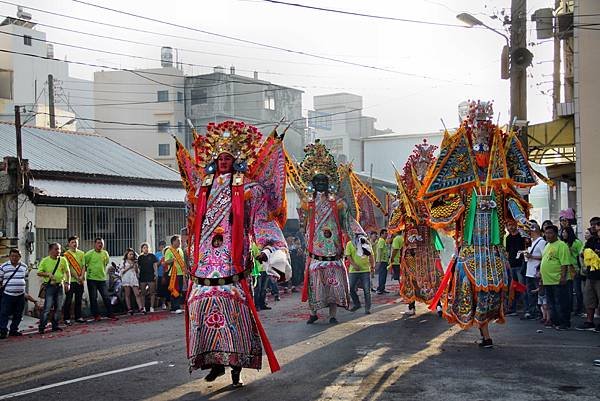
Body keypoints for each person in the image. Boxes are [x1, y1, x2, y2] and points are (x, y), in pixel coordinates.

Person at [175, 120, 288, 386]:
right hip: (204, 265)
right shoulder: (201, 190)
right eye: (219, 156)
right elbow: (193, 223)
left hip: (231, 263)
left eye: (229, 156)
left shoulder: (249, 189)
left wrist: (270, 250)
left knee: (231, 306)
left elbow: (260, 222)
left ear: (238, 159)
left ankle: (235, 367)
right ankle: (213, 361)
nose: (223, 160)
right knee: (198, 302)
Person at [419, 100, 539, 347]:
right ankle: (481, 331)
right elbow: (444, 206)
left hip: (493, 249)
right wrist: (451, 208)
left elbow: (512, 203)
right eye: (477, 147)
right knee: (470, 288)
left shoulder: (498, 185)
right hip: (471, 247)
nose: (482, 152)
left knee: (492, 290)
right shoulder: (464, 188)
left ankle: (484, 330)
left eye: (486, 146)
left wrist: (522, 221)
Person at [296, 140, 354, 325]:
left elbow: (348, 222)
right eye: (317, 181)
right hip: (315, 253)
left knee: (333, 283)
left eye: (324, 180)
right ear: (312, 183)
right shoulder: (307, 203)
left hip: (333, 252)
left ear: (329, 182)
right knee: (315, 283)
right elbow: (303, 225)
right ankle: (313, 312)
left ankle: (333, 314)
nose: (321, 183)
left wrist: (359, 240)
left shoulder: (337, 203)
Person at [389, 139, 444, 316]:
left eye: (426, 164)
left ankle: (438, 302)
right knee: (410, 274)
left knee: (433, 272)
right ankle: (410, 304)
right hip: (412, 242)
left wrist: (433, 216)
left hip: (428, 240)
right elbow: (400, 216)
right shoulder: (408, 191)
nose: (423, 167)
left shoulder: (434, 192)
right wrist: (410, 228)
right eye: (420, 164)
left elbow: (441, 212)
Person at [540, 225, 572, 330]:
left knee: (561, 302)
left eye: (550, 233)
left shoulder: (561, 245)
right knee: (551, 303)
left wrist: (563, 277)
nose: (547, 235)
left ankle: (564, 323)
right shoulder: (547, 245)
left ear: (555, 233)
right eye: (546, 233)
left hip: (557, 279)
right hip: (547, 280)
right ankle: (555, 322)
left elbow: (564, 263)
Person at [37, 243, 70, 334]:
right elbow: (39, 272)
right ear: (50, 250)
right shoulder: (45, 260)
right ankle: (42, 327)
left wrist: (68, 283)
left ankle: (55, 326)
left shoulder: (63, 260)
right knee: (47, 308)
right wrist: (48, 274)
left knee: (59, 307)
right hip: (50, 287)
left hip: (60, 286)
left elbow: (67, 272)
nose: (58, 251)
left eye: (59, 249)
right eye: (56, 249)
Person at [0, 249, 33, 338]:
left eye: (16, 256)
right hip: (7, 295)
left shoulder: (24, 266)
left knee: (18, 314)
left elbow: (24, 277)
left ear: (20, 257)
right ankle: (3, 331)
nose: (14, 258)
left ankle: (13, 330)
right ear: (9, 256)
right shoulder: (3, 266)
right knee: (4, 313)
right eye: (12, 256)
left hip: (20, 295)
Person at [85, 238, 117, 321]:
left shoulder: (105, 253)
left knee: (106, 297)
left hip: (102, 279)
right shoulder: (89, 254)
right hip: (91, 279)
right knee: (93, 297)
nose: (100, 245)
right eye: (98, 243)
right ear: (94, 244)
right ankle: (96, 315)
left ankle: (110, 314)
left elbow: (106, 263)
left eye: (102, 243)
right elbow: (84, 265)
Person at [576, 216, 600, 331]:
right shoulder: (591, 240)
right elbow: (583, 253)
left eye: (595, 225)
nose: (593, 227)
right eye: (592, 225)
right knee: (589, 298)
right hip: (591, 274)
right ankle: (589, 321)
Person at [346, 234, 375, 314]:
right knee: (351, 288)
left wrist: (373, 267)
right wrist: (354, 265)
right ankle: (357, 304)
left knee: (367, 290)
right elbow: (348, 256)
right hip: (353, 271)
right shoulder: (350, 244)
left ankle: (367, 308)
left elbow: (371, 255)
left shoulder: (366, 243)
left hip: (365, 270)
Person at [523, 222, 546, 319]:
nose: (527, 232)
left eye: (529, 230)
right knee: (531, 293)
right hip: (529, 272)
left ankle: (540, 313)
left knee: (539, 293)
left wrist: (532, 256)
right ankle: (532, 312)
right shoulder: (532, 242)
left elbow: (544, 256)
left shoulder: (541, 242)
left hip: (536, 272)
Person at [505, 219, 527, 316]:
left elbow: (526, 248)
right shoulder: (508, 238)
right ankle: (513, 308)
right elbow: (508, 252)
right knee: (513, 288)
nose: (511, 227)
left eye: (512, 225)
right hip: (512, 265)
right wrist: (507, 263)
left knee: (522, 287)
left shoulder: (521, 236)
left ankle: (526, 309)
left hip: (520, 264)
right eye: (509, 225)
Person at [62, 235, 86, 325]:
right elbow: (68, 268)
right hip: (70, 281)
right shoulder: (66, 255)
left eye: (76, 242)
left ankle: (78, 317)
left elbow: (84, 266)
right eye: (72, 242)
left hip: (80, 280)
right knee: (68, 300)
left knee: (79, 300)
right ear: (69, 244)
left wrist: (81, 276)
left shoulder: (82, 253)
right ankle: (66, 318)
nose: (74, 244)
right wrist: (77, 277)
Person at [561, 226, 583, 315]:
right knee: (568, 291)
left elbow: (581, 255)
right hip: (566, 269)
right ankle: (569, 308)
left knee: (577, 290)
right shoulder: (562, 243)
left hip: (575, 268)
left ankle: (579, 308)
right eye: (562, 232)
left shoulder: (577, 242)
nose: (563, 234)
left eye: (565, 232)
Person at [164, 235, 185, 314]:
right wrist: (172, 260)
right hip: (173, 273)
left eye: (179, 241)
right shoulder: (169, 250)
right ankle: (176, 307)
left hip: (180, 273)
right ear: (173, 242)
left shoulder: (180, 250)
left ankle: (174, 307)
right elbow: (165, 262)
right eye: (178, 241)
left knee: (179, 290)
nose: (179, 242)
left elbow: (182, 261)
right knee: (175, 289)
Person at [121, 248, 145, 315]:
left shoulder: (135, 262)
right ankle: (129, 309)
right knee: (127, 294)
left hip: (133, 278)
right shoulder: (123, 262)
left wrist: (135, 266)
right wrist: (129, 267)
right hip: (126, 278)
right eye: (130, 254)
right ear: (127, 255)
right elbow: (121, 271)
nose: (131, 255)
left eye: (132, 254)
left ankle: (141, 308)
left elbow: (137, 272)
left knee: (137, 294)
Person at [138, 242, 158, 312]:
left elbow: (155, 265)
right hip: (143, 276)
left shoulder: (152, 256)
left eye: (147, 247)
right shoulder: (140, 257)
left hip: (151, 275)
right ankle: (143, 307)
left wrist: (155, 274)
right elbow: (139, 267)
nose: (146, 249)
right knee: (143, 293)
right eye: (144, 248)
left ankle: (151, 307)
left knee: (152, 292)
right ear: (141, 249)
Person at [375, 229, 390, 294]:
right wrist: (379, 261)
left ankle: (382, 288)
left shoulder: (383, 241)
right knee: (382, 275)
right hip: (382, 261)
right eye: (385, 233)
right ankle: (380, 289)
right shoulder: (381, 241)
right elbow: (379, 251)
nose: (386, 235)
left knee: (384, 275)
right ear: (381, 234)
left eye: (387, 233)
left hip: (385, 261)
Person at [155, 240, 168, 310]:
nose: (163, 248)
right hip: (160, 274)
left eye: (164, 246)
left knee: (167, 289)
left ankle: (168, 302)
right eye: (162, 247)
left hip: (167, 274)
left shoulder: (168, 253)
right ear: (159, 247)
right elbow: (156, 265)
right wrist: (161, 261)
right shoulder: (157, 254)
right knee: (161, 289)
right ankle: (163, 303)